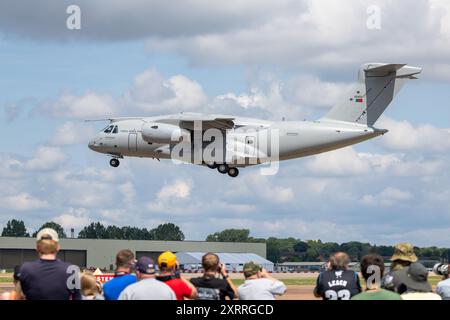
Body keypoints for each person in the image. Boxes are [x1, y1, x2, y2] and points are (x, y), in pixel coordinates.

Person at [18, 228, 81, 300]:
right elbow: (77, 297)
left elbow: (21, 295)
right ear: (58, 247)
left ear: (37, 247)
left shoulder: (26, 269)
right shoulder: (72, 270)